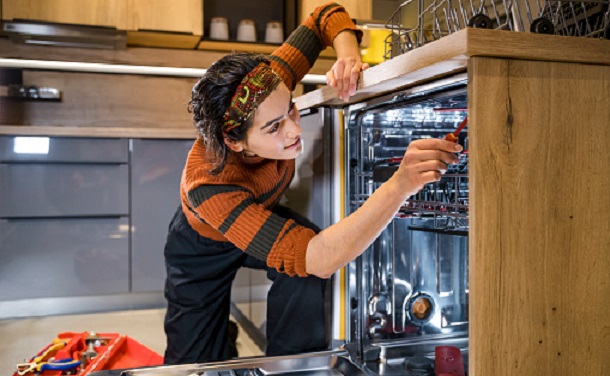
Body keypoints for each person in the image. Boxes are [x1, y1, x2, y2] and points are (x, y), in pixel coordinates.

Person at [163, 2, 463, 365]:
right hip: (201, 245)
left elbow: (324, 16)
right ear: (235, 142)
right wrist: (400, 184)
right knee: (193, 361)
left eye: (289, 107)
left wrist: (348, 57)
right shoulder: (209, 184)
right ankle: (219, 337)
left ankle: (291, 368)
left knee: (300, 274)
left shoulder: (265, 81)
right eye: (274, 127)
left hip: (259, 212)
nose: (294, 129)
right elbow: (319, 258)